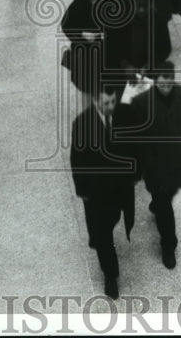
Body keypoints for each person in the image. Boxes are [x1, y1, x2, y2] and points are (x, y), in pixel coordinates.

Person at [71, 80, 147, 301]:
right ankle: (111, 274)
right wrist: (82, 190)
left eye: (113, 101)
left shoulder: (126, 117)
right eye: (106, 102)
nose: (111, 106)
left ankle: (103, 235)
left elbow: (138, 148)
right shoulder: (82, 124)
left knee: (113, 219)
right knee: (103, 235)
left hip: (120, 188)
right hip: (97, 192)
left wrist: (137, 174)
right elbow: (78, 160)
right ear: (95, 100)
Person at [126, 60, 181, 269]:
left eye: (169, 79)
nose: (166, 83)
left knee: (168, 195)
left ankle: (158, 204)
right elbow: (136, 136)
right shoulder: (141, 102)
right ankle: (169, 246)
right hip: (155, 166)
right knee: (165, 206)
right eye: (161, 79)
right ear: (155, 81)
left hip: (178, 162)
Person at [61, 0, 105, 93]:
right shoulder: (79, 1)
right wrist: (82, 34)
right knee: (86, 83)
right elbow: (66, 24)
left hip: (104, 49)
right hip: (84, 51)